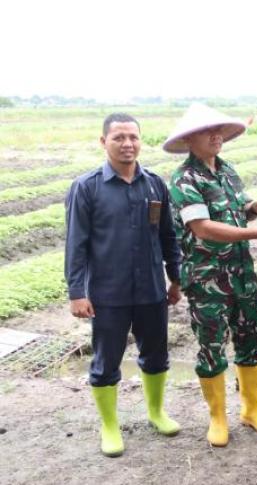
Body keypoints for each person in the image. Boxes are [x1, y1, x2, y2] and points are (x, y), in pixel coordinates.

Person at [166, 103, 257, 447]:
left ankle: (253, 410)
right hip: (207, 280)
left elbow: (238, 208)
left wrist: (255, 208)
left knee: (250, 339)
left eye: (218, 130)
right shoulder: (184, 179)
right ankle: (218, 417)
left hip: (241, 274)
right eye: (207, 131)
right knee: (211, 346)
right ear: (189, 140)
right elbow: (203, 228)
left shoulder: (227, 170)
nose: (216, 136)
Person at [65, 113, 182, 457]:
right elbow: (76, 244)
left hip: (151, 289)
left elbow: (168, 235)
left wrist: (176, 278)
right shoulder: (87, 187)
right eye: (118, 138)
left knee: (156, 354)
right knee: (106, 360)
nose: (127, 144)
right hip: (108, 292)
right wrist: (77, 292)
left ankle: (156, 412)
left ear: (140, 141)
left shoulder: (154, 184)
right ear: (104, 142)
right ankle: (110, 425)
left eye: (133, 137)